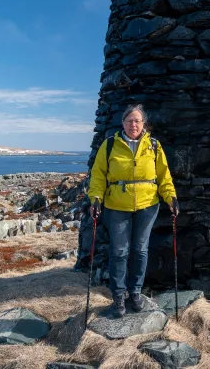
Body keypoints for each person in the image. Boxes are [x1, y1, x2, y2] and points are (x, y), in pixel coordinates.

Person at [88, 104, 179, 317]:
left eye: (137, 121)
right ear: (123, 123)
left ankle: (135, 291)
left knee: (140, 250)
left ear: (144, 124)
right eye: (129, 121)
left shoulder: (154, 146)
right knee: (119, 251)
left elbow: (164, 176)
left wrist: (171, 197)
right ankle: (119, 296)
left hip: (147, 206)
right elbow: (98, 175)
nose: (133, 124)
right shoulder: (110, 145)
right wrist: (95, 199)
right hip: (117, 206)